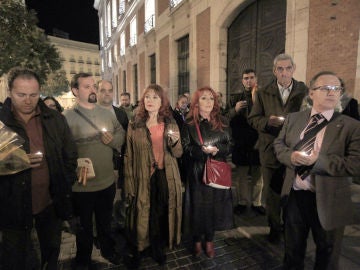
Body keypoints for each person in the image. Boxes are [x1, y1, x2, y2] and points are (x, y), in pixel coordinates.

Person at [274, 71, 360, 269]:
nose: (332, 92)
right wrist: (291, 157)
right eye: (325, 88)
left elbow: (356, 164)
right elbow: (278, 145)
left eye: (336, 89)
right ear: (311, 93)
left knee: (327, 253)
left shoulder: (351, 126)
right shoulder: (294, 119)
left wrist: (317, 162)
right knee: (292, 251)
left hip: (330, 199)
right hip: (295, 195)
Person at [0, 67, 78, 270]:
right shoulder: (1, 122)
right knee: (16, 258)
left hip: (50, 204)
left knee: (51, 252)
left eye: (33, 95)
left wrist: (64, 184)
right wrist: (13, 161)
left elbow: (70, 155)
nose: (28, 100)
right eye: (21, 94)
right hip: (12, 207)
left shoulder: (55, 119)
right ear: (10, 92)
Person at [64, 73, 125, 269]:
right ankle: (83, 259)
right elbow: (62, 151)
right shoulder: (67, 118)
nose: (92, 90)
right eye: (86, 86)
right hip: (81, 186)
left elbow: (120, 133)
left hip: (106, 182)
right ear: (75, 91)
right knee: (84, 228)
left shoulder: (107, 113)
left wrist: (113, 141)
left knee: (105, 223)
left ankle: (108, 250)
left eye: (93, 86)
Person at [248, 54, 307, 243]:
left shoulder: (304, 90)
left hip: (294, 150)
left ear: (293, 69)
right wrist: (267, 122)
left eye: (287, 68)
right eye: (280, 69)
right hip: (270, 150)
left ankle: (290, 227)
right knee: (272, 193)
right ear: (274, 71)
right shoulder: (264, 92)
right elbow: (253, 119)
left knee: (293, 192)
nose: (284, 72)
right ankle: (274, 227)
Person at [124, 84, 183, 266]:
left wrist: (174, 143)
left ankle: (157, 247)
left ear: (162, 101)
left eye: (155, 97)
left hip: (164, 175)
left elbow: (179, 153)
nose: (150, 100)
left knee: (160, 212)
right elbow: (129, 155)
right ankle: (140, 248)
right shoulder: (135, 123)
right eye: (147, 97)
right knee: (141, 211)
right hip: (142, 175)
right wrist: (129, 182)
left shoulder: (170, 123)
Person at [181, 86, 233, 258]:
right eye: (204, 98)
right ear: (196, 103)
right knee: (197, 207)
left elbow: (230, 145)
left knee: (213, 207)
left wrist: (217, 150)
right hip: (197, 172)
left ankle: (209, 240)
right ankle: (196, 240)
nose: (208, 102)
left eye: (211, 98)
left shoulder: (223, 121)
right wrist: (201, 151)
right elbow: (186, 148)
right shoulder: (189, 124)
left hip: (217, 171)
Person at [227, 68, 265, 215]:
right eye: (246, 78)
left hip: (258, 141)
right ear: (242, 81)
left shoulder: (263, 96)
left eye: (251, 77)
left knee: (257, 175)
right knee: (242, 175)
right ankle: (242, 202)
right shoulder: (235, 98)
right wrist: (234, 110)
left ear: (256, 79)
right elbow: (226, 118)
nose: (249, 81)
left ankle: (257, 202)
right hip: (241, 143)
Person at [97, 80, 129, 231]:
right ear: (96, 92)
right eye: (103, 90)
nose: (107, 93)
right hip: (99, 166)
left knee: (119, 198)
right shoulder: (90, 113)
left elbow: (127, 139)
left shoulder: (121, 114)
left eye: (110, 90)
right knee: (102, 202)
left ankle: (119, 228)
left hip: (119, 163)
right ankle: (103, 230)